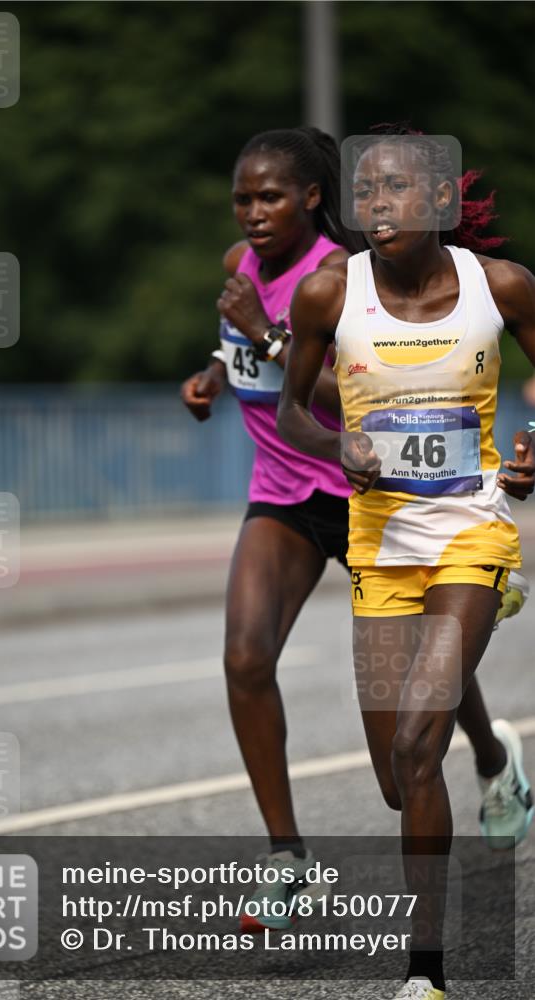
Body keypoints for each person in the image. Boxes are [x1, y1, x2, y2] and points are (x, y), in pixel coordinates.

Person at [181, 127, 531, 943]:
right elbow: (255, 365)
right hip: (282, 489)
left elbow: (357, 384)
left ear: (311, 199)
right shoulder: (242, 268)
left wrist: (265, 336)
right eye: (243, 199)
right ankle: (286, 858)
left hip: (371, 494)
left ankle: (485, 758)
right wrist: (209, 372)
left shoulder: (343, 272)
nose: (254, 214)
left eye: (270, 197)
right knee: (243, 654)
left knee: (425, 671)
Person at [278, 127, 534, 999]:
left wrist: (532, 451)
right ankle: (493, 744)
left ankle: (423, 975)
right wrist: (334, 439)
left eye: (394, 189)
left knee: (420, 746)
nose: (375, 204)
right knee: (397, 779)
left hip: (470, 529)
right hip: (380, 543)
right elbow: (291, 416)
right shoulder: (325, 295)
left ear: (436, 204)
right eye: (365, 190)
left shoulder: (497, 287)